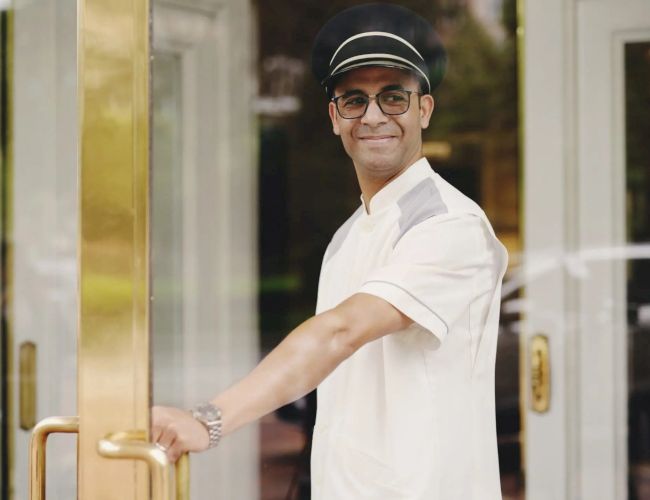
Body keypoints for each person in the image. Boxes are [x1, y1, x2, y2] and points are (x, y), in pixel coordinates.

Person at [152, 3, 509, 499]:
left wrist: (209, 420)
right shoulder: (347, 238)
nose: (374, 116)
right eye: (354, 101)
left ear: (424, 109)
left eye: (393, 97)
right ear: (334, 118)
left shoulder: (451, 225)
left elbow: (340, 332)